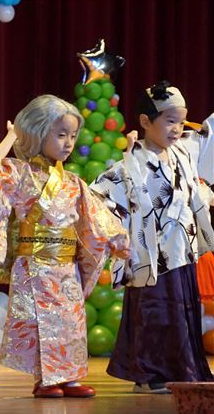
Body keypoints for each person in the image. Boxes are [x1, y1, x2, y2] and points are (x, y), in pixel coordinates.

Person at [0, 94, 129, 398]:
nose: (68, 143)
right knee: (41, 322)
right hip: (33, 265)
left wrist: (115, 236)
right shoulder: (19, 172)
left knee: (70, 321)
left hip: (66, 266)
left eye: (73, 136)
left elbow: (95, 217)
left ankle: (70, 377)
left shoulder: (73, 182)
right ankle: (46, 379)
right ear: (38, 133)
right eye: (61, 134)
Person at [90, 81, 214, 394]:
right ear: (146, 121)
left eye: (181, 121)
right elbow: (99, 197)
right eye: (170, 121)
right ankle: (148, 374)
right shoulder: (131, 163)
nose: (177, 129)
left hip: (180, 248)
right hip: (150, 254)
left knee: (182, 310)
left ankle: (183, 368)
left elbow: (207, 140)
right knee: (153, 311)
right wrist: (117, 233)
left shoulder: (183, 154)